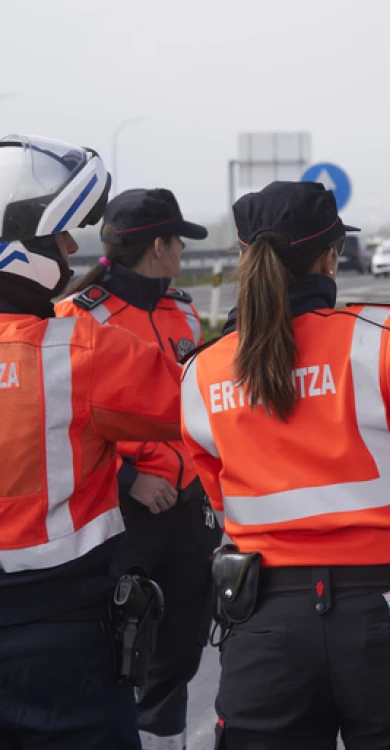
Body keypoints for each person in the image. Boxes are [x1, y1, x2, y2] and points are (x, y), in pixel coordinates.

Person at [180, 180, 390, 750]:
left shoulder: (203, 372)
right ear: (330, 257)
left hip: (263, 624)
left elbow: (218, 497)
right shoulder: (385, 339)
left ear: (245, 259)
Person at [0, 135, 184, 749]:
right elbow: (205, 408)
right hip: (57, 636)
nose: (73, 248)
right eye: (58, 237)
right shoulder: (78, 351)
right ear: (19, 246)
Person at [56, 188, 223, 750]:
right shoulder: (78, 317)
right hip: (120, 508)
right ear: (160, 245)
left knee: (180, 645)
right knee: (116, 644)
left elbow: (194, 403)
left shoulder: (183, 308)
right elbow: (61, 419)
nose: (182, 252)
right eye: (179, 241)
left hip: (188, 506)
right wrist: (130, 479)